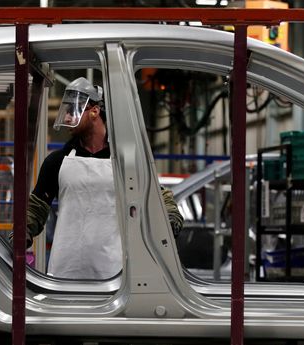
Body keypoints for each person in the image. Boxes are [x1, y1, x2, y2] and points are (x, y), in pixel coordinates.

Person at [21, 77, 183, 280]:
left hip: (113, 275)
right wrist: (22, 231)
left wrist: (170, 219)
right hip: (64, 273)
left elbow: (159, 197)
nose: (69, 118)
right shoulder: (57, 160)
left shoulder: (126, 162)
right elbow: (36, 207)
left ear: (94, 111)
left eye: (74, 111)